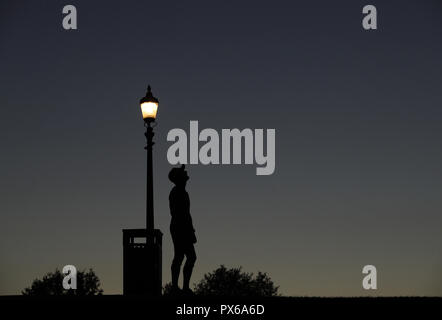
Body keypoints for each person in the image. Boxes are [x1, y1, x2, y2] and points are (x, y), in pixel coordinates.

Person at [168, 164, 197, 295]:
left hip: (184, 228)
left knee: (186, 257)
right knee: (184, 256)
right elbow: (179, 214)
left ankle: (182, 286)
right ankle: (177, 286)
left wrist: (191, 230)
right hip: (180, 228)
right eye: (183, 173)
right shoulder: (176, 192)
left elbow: (187, 213)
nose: (186, 174)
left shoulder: (183, 193)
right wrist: (187, 229)